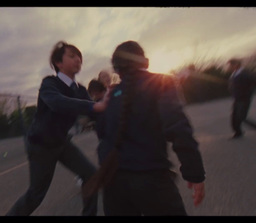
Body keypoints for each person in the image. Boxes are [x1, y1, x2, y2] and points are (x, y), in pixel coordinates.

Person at [83, 40, 206, 216]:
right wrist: (195, 174)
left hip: (113, 182)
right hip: (151, 178)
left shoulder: (110, 95)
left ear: (116, 69)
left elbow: (102, 133)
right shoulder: (162, 82)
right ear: (145, 61)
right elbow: (178, 128)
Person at [5, 41, 109, 216]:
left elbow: (97, 114)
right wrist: (94, 107)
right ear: (59, 63)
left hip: (61, 143)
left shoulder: (79, 90)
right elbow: (58, 103)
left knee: (91, 176)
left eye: (79, 57)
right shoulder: (49, 84)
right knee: (36, 195)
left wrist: (118, 110)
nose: (78, 59)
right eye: (72, 56)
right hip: (41, 146)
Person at [227, 58, 256, 139]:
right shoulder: (234, 74)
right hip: (237, 98)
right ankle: (238, 132)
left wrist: (249, 92)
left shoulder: (244, 73)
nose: (229, 67)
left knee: (242, 117)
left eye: (230, 65)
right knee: (234, 116)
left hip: (244, 98)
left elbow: (255, 82)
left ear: (236, 64)